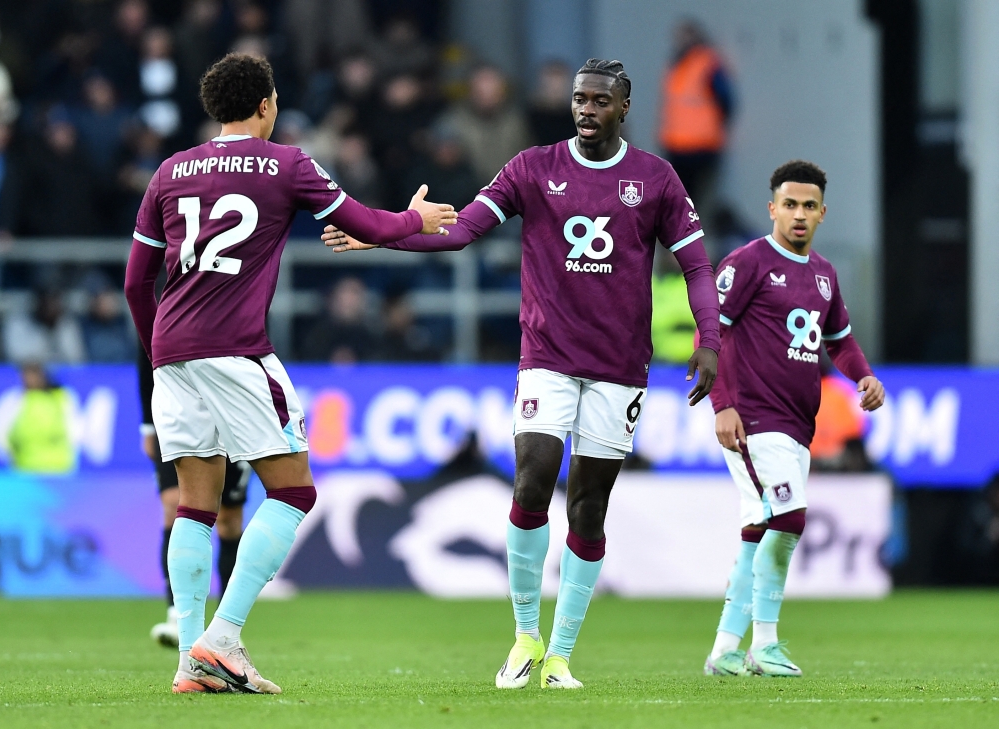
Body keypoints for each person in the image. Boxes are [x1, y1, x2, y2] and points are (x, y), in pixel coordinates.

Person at [323, 59, 721, 689]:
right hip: (548, 357)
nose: (585, 110)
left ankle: (562, 653)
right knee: (532, 482)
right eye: (578, 99)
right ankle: (525, 637)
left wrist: (709, 337)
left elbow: (697, 266)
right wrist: (384, 235)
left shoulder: (656, 179)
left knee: (589, 507)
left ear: (624, 107)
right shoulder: (533, 167)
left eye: (599, 101)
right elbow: (462, 233)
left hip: (619, 368)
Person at [123, 52, 455, 695]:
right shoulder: (286, 164)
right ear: (267, 105)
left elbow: (138, 280)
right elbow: (361, 224)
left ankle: (190, 660)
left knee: (194, 502)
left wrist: (159, 346)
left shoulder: (170, 171)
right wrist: (421, 220)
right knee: (294, 490)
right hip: (237, 350)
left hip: (172, 353)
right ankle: (222, 639)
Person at [704, 160, 885, 677]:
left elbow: (839, 339)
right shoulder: (748, 263)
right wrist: (722, 404)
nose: (799, 215)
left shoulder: (824, 275)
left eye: (809, 206)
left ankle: (723, 651)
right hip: (753, 419)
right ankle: (765, 643)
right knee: (789, 517)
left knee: (760, 528)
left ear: (822, 213)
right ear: (772, 208)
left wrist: (864, 376)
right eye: (790, 205)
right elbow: (708, 333)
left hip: (796, 423)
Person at [139, 349, 253, 648]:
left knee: (229, 520)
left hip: (231, 411)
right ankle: (178, 615)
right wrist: (148, 425)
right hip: (176, 409)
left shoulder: (233, 301)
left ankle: (225, 625)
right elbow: (146, 348)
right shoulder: (166, 302)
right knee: (175, 504)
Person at [658, 20, 734, 224]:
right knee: (677, 201)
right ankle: (677, 249)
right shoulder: (676, 64)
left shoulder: (708, 63)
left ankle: (696, 248)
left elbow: (727, 101)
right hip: (676, 145)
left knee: (698, 203)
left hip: (702, 147)